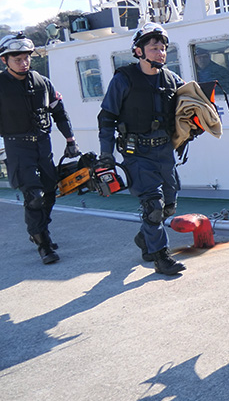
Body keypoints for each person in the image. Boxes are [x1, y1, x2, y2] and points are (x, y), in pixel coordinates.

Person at [98, 22, 186, 275]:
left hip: (164, 152)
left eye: (163, 48)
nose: (160, 53)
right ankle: (161, 258)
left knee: (169, 207)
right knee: (154, 206)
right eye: (154, 48)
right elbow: (106, 118)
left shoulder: (172, 80)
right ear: (139, 51)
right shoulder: (124, 79)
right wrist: (106, 154)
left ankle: (144, 239)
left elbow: (189, 107)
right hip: (137, 153)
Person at [0, 33, 81, 264]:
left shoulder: (42, 82)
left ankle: (38, 231)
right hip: (17, 147)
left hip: (43, 145)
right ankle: (44, 244)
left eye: (26, 58)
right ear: (5, 60)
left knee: (49, 192)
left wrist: (70, 140)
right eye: (18, 59)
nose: (24, 63)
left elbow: (59, 112)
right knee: (33, 196)